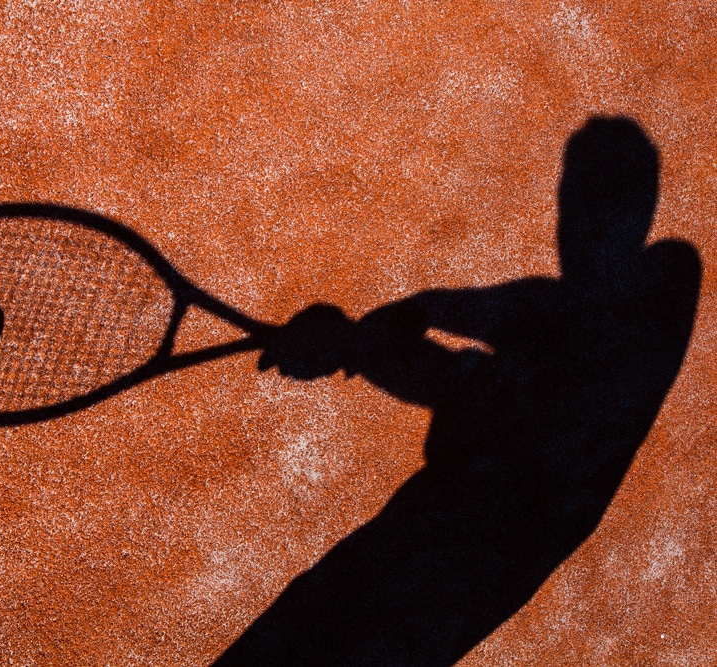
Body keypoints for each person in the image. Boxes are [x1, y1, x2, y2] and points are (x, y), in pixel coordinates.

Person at [215, 117, 701, 666]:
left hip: (443, 588)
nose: (578, 223)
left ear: (639, 213)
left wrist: (366, 342)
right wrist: (377, 332)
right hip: (404, 549)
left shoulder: (665, 284)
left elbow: (493, 375)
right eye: (573, 200)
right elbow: (513, 328)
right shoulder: (561, 315)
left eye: (599, 200)